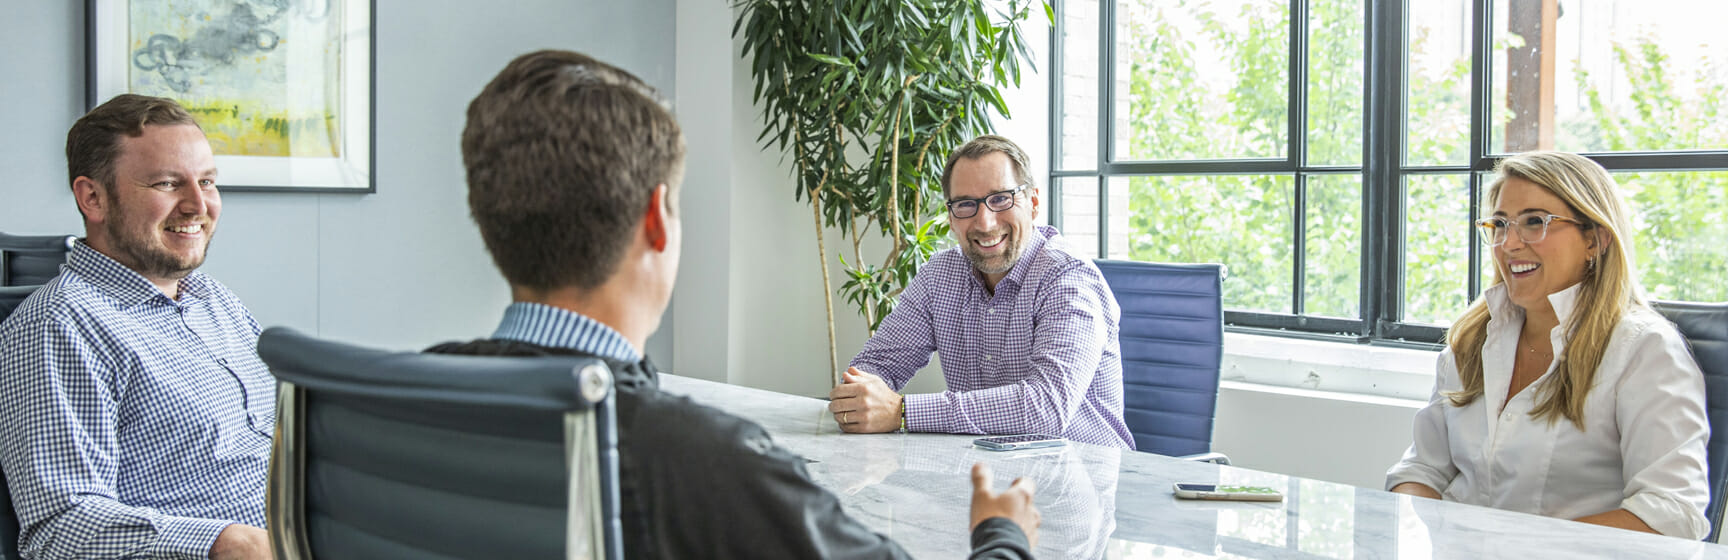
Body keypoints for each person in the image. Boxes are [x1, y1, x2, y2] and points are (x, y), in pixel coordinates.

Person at [428, 49, 1040, 558]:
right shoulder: (703, 462)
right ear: (656, 224)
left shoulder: (400, 397)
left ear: (487, 215)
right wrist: (1002, 534)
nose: (982, 220)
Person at [0, 95, 273, 559]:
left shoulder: (214, 299)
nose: (197, 205)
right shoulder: (60, 326)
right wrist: (225, 543)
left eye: (206, 181)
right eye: (168, 183)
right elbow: (60, 530)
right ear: (93, 198)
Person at [1386, 151, 1709, 539]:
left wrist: (1521, 546)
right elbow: (1421, 471)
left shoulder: (1643, 350)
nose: (1509, 243)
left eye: (1534, 222)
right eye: (1501, 224)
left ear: (1596, 238)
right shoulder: (1473, 340)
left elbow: (1672, 512)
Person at [828, 135, 1134, 449]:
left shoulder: (1068, 278)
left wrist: (902, 412)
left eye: (1001, 198)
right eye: (965, 205)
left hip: (1084, 478)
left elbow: (1045, 408)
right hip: (981, 473)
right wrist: (860, 398)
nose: (985, 223)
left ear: (1033, 203)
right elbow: (874, 367)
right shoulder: (940, 276)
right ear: (950, 217)